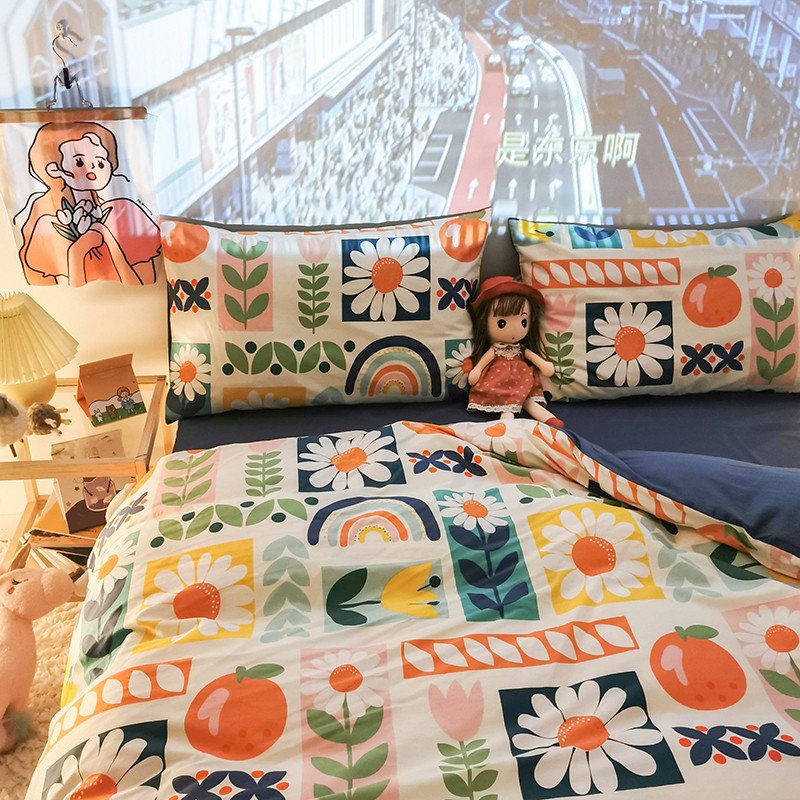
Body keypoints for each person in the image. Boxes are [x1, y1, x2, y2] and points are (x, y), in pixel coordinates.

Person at [16, 120, 161, 286]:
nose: (92, 170)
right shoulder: (49, 224)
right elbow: (63, 290)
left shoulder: (127, 211)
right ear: (54, 170)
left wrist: (110, 241)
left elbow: (144, 282)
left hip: (128, 299)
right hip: (82, 302)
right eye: (79, 162)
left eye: (100, 162)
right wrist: (78, 250)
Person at [467, 276, 563, 426]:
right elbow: (483, 362)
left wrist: (544, 365)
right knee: (507, 406)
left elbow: (533, 358)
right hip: (499, 381)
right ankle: (507, 424)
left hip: (523, 380)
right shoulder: (495, 349)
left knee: (530, 401)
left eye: (523, 322)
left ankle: (548, 418)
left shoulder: (521, 349)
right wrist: (477, 370)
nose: (515, 330)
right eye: (502, 323)